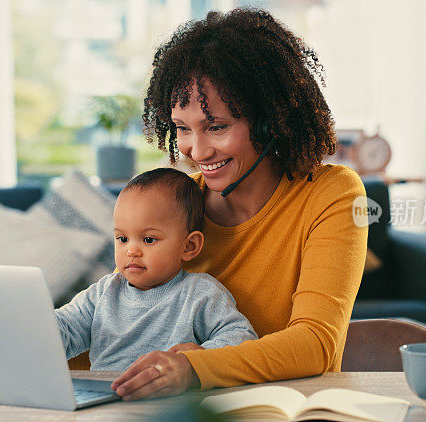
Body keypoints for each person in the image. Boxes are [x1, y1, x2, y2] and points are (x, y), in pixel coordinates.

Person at [110, 8, 367, 400]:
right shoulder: (174, 205)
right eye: (182, 128)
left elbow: (316, 343)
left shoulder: (331, 193)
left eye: (217, 127)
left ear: (270, 120)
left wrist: (194, 368)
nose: (197, 150)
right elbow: (114, 317)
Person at [55, 168, 258, 371]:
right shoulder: (102, 293)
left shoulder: (200, 294)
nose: (132, 251)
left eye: (149, 239)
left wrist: (201, 357)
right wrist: (35, 322)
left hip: (169, 399)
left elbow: (241, 337)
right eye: (122, 239)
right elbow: (65, 330)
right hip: (104, 398)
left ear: (189, 246)